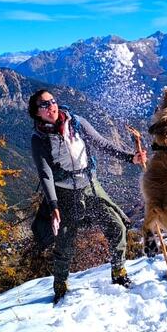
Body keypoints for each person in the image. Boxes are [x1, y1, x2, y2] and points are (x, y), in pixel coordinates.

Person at [28, 89, 146, 304]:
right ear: (37, 113)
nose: (51, 106)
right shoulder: (39, 139)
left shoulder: (76, 123)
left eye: (52, 101)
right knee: (65, 238)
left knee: (116, 225)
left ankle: (118, 271)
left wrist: (131, 159)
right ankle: (61, 285)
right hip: (64, 192)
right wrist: (54, 205)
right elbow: (45, 174)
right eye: (44, 105)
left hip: (90, 184)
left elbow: (102, 144)